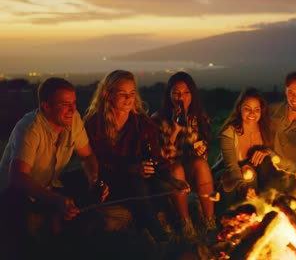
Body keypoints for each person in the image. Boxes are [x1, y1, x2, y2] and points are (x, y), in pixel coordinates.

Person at [0, 77, 107, 259]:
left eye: (73, 102)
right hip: (17, 190)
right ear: (46, 106)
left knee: (89, 186)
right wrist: (55, 199)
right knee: (23, 230)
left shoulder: (73, 120)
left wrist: (94, 179)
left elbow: (87, 156)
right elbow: (18, 177)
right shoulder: (30, 128)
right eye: (65, 104)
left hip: (49, 183)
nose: (72, 109)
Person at [83, 69, 180, 243]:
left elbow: (155, 156)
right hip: (108, 179)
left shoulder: (141, 122)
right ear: (108, 94)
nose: (129, 99)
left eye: (132, 94)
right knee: (137, 184)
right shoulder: (95, 123)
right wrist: (133, 168)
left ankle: (178, 229)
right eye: (123, 94)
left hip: (139, 176)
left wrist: (172, 179)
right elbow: (100, 159)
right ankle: (159, 235)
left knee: (160, 185)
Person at [151, 71, 215, 239]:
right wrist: (176, 129)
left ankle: (209, 221)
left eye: (186, 93)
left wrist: (200, 151)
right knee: (177, 167)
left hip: (191, 168)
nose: (182, 98)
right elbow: (161, 156)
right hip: (167, 171)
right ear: (169, 95)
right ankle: (185, 223)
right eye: (177, 93)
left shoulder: (199, 118)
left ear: (192, 95)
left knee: (201, 164)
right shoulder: (157, 120)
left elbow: (204, 148)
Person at [217, 88, 279, 207]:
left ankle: (269, 204)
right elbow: (232, 167)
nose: (252, 113)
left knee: (265, 164)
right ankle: (236, 211)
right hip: (229, 177)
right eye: (247, 109)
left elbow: (277, 160)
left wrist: (268, 152)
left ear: (262, 111)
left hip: (257, 179)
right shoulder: (229, 133)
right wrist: (244, 187)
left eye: (256, 110)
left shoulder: (266, 130)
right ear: (239, 108)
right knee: (247, 171)